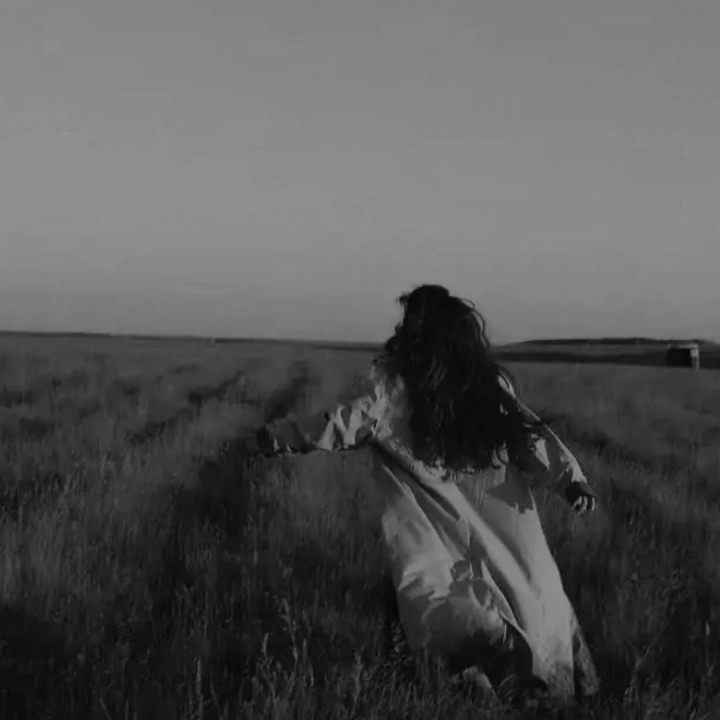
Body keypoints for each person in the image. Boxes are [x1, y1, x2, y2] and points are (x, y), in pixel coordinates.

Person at [253, 284, 599, 708]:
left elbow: (336, 424)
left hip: (443, 537)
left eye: (409, 321)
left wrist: (277, 437)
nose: (402, 328)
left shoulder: (395, 389)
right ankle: (515, 688)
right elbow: (532, 438)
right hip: (480, 528)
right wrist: (571, 480)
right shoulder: (479, 384)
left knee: (442, 605)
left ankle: (474, 687)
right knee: (520, 598)